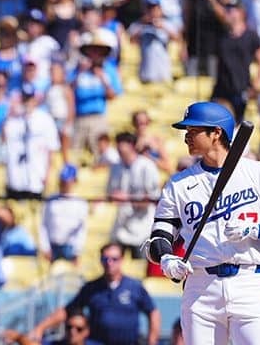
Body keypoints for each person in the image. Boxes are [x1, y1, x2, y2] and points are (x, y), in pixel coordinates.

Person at [145, 101, 260, 344]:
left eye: (193, 130)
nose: (187, 137)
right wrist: (166, 258)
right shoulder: (178, 184)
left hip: (249, 283)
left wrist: (255, 229)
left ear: (216, 133)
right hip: (201, 287)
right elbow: (159, 236)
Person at [29, 243, 160, 345]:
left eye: (114, 259)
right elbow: (68, 310)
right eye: (105, 259)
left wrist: (152, 340)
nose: (109, 263)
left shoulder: (134, 287)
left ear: (121, 260)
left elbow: (153, 312)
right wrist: (41, 328)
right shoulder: (92, 288)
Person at [211, 0, 260, 123]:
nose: (227, 13)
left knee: (237, 123)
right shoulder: (222, 36)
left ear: (241, 13)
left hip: (240, 87)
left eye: (231, 10)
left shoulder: (251, 36)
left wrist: (258, 79)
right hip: (221, 88)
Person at [108, 133, 161, 256]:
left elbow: (152, 200)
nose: (119, 148)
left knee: (140, 264)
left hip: (142, 230)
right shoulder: (115, 167)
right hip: (120, 228)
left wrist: (127, 198)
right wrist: (114, 197)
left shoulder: (147, 166)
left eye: (122, 145)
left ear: (132, 145)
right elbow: (110, 194)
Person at [38, 165, 89, 263]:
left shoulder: (81, 203)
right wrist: (45, 247)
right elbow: (43, 224)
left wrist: (77, 251)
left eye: (67, 182)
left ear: (74, 181)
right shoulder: (50, 200)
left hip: (70, 247)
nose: (64, 185)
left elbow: (82, 229)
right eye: (62, 181)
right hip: (52, 245)